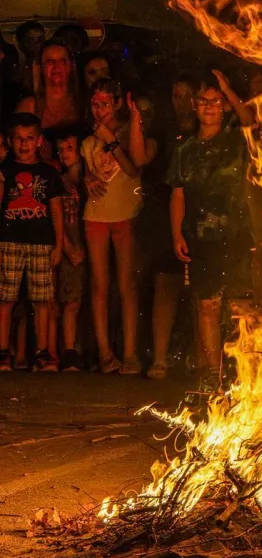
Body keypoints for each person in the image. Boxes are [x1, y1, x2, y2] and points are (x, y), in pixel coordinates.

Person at [168, 71, 256, 381]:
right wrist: (177, 232)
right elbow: (177, 193)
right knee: (206, 304)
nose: (209, 107)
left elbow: (249, 119)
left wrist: (228, 89)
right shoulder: (184, 149)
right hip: (200, 234)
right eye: (203, 101)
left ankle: (246, 377)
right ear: (194, 105)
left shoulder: (236, 141)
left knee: (240, 305)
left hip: (236, 232)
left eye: (216, 102)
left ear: (225, 107)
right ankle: (212, 375)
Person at [82, 78, 155, 374]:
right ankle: (104, 353)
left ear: (115, 103)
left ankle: (130, 353)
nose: (98, 110)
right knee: (100, 284)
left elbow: (132, 167)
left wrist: (110, 138)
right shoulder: (88, 143)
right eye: (94, 104)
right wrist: (87, 179)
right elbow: (89, 174)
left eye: (104, 104)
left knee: (127, 284)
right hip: (96, 215)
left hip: (125, 213)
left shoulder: (128, 135)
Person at [141, 73, 199, 381]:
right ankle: (160, 358)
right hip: (168, 212)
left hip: (206, 212)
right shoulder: (165, 132)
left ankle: (204, 361)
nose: (184, 102)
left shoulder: (210, 129)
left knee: (205, 289)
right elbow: (141, 158)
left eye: (189, 94)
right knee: (167, 282)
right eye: (177, 95)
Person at [0, 114, 64, 372]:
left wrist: (58, 244)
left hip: (41, 243)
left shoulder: (48, 173)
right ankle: (3, 351)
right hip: (8, 241)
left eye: (29, 139)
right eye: (18, 139)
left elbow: (56, 209)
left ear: (38, 141)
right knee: (5, 298)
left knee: (41, 299)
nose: (24, 144)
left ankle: (42, 352)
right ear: (10, 141)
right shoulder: (5, 170)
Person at [54, 127, 87, 372]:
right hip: (69, 244)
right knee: (69, 300)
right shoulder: (60, 183)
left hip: (86, 242)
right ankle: (68, 351)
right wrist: (67, 246)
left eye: (69, 148)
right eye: (61, 149)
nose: (64, 154)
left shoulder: (86, 181)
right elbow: (56, 218)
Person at [17, 40, 82, 157]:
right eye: (50, 61)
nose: (57, 66)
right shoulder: (29, 106)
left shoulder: (83, 103)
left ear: (71, 66)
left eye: (62, 61)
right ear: (40, 68)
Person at [14, 20, 45, 98]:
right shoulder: (17, 70)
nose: (40, 44)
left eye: (41, 39)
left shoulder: (48, 67)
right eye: (35, 40)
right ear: (21, 44)